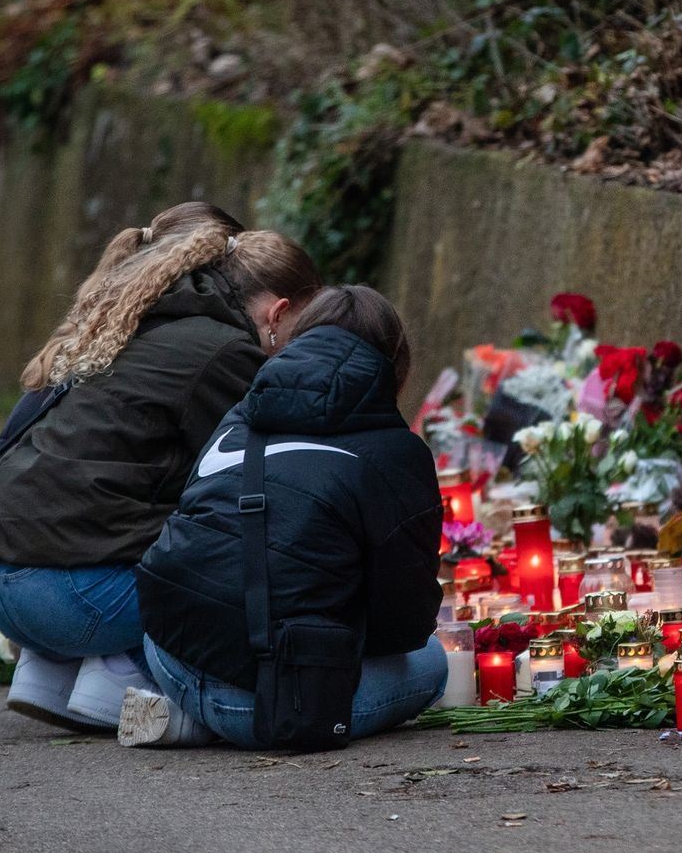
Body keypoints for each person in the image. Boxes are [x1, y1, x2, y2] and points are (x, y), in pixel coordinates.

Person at [0, 203, 321, 729]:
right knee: (252, 559)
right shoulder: (225, 353)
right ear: (278, 314)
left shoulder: (134, 323)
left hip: (0, 584)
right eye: (304, 330)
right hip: (72, 599)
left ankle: (51, 672)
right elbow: (261, 487)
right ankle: (122, 671)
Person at [126, 284, 446, 749]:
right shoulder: (398, 454)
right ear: (396, 363)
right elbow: (404, 627)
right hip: (285, 702)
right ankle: (225, 720)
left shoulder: (241, 415)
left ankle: (193, 715)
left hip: (171, 655)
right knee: (434, 662)